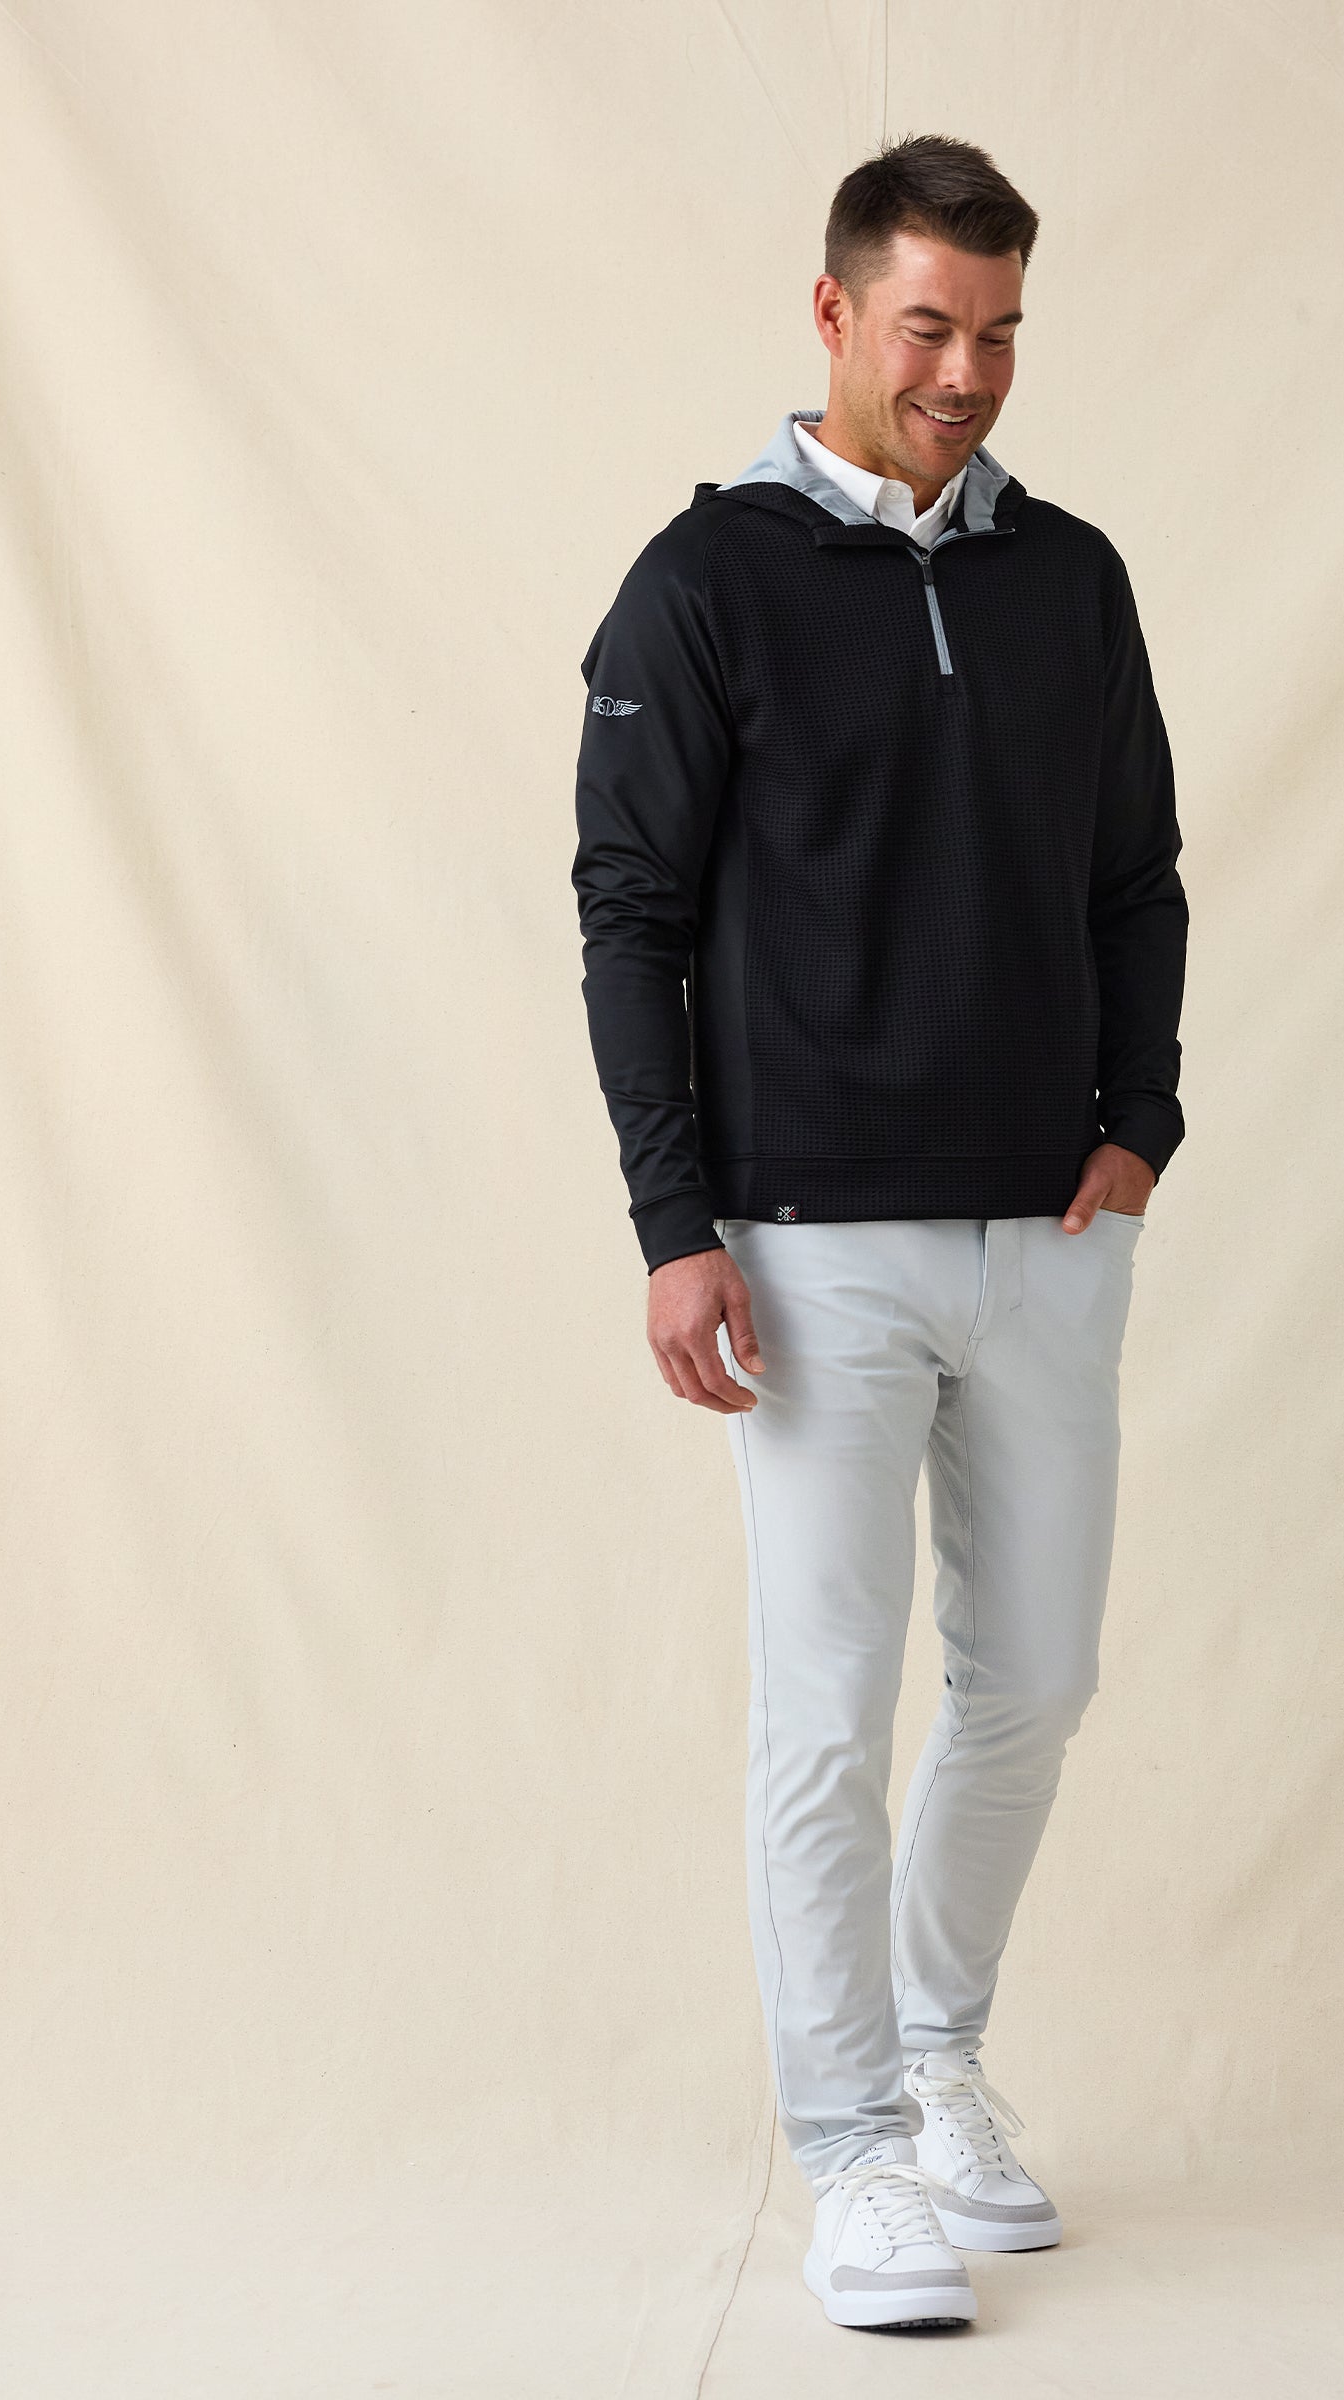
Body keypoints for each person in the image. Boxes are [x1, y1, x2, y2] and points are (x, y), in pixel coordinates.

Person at [570, 131, 1188, 2334]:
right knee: (829, 1712)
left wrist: (1139, 1123)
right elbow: (629, 911)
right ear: (833, 314)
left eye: (1001, 332)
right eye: (928, 326)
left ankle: (938, 2063)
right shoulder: (704, 582)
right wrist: (676, 1221)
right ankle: (847, 2155)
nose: (966, 374)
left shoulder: (1070, 575)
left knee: (1036, 1682)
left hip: (1048, 1235)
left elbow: (1137, 870)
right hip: (811, 1239)